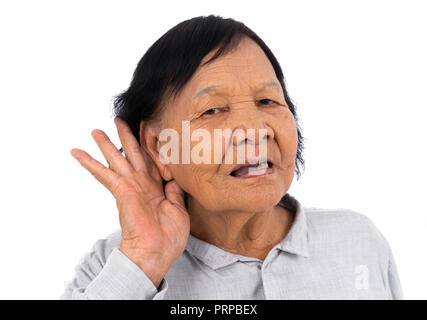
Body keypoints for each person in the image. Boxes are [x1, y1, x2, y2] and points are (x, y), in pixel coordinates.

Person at [62, 15, 403, 299]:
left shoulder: (357, 241)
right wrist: (145, 259)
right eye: (212, 110)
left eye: (268, 101)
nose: (255, 129)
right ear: (159, 148)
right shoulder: (115, 263)